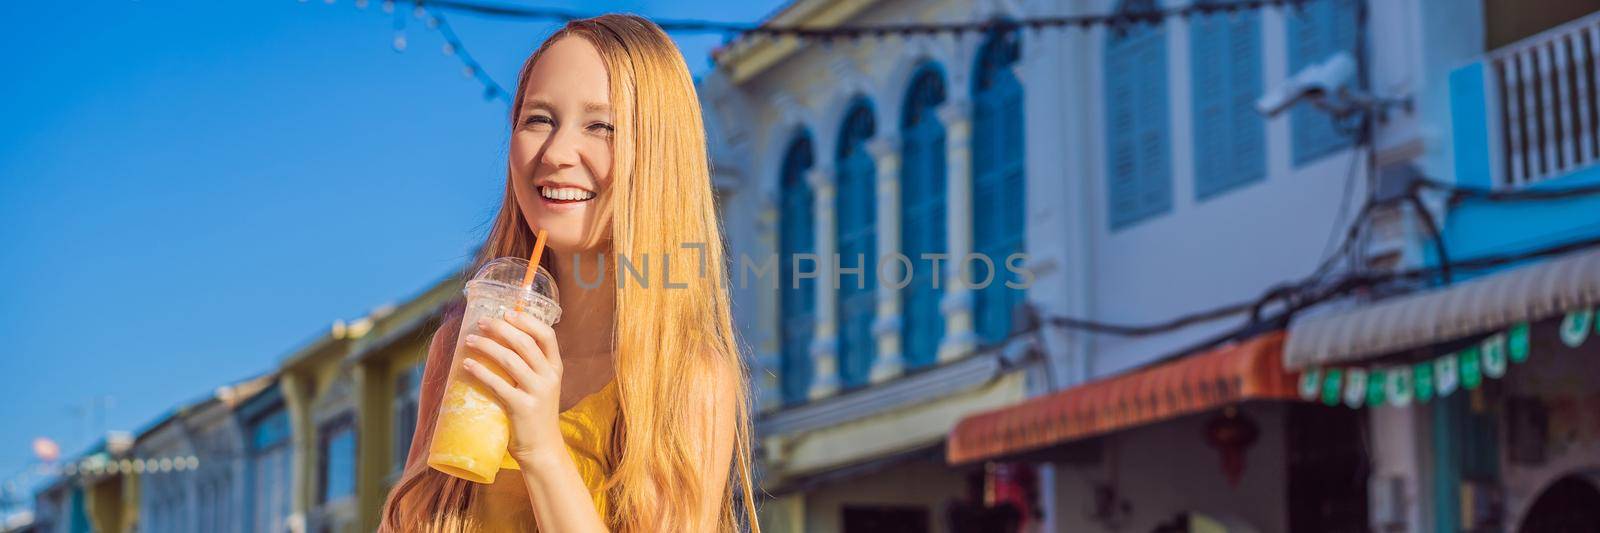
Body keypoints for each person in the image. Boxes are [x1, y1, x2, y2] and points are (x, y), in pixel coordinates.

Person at [379, 14, 759, 532]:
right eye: (538, 119)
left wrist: (540, 446)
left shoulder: (684, 380)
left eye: (601, 126)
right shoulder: (464, 346)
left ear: (657, 155)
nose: (556, 154)